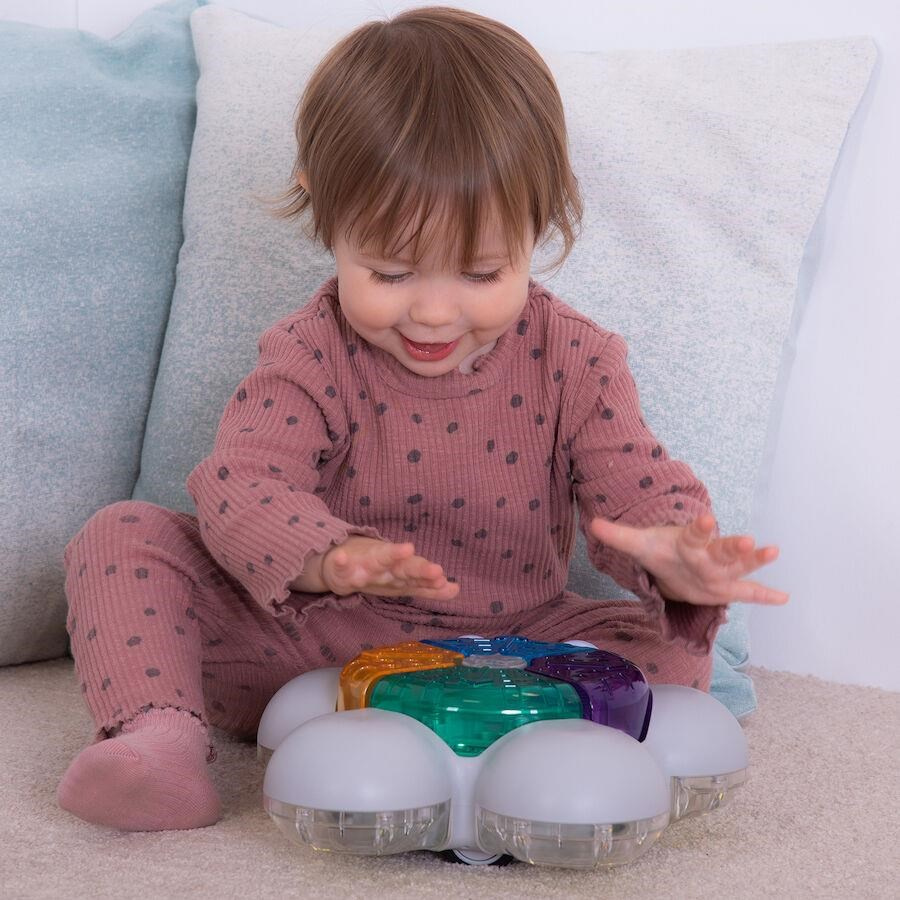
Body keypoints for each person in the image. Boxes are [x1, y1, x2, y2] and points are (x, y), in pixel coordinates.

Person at [57, 5, 788, 833]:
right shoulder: (310, 352)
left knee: (667, 651)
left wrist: (675, 551)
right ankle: (159, 741)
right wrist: (327, 557)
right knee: (121, 538)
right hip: (331, 635)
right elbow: (243, 482)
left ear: (539, 225)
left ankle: (534, 747)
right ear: (326, 213)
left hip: (519, 646)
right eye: (392, 272)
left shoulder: (577, 357)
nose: (435, 312)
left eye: (480, 274)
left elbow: (634, 482)